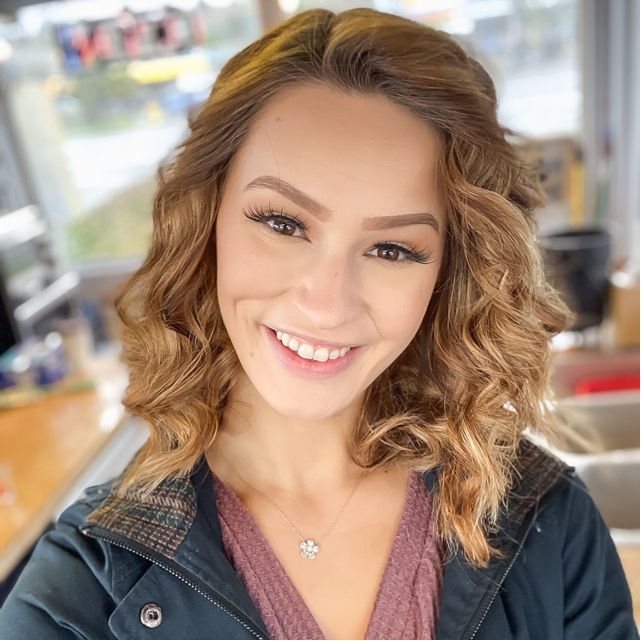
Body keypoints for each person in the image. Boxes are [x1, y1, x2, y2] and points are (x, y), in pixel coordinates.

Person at [0, 7, 637, 640]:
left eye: (392, 249)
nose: (326, 304)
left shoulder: (549, 524)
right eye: (282, 223)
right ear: (206, 220)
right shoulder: (78, 596)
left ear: (449, 274)